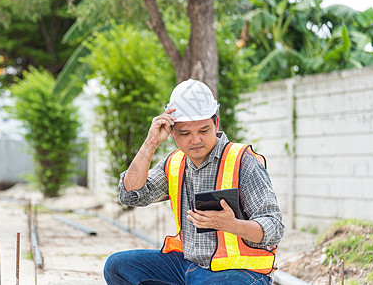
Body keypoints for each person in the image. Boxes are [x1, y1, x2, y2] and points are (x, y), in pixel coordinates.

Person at [104, 79, 284, 285]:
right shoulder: (175, 163)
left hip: (239, 273)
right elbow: (131, 195)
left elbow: (274, 228)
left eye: (203, 130)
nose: (196, 140)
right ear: (172, 133)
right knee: (117, 267)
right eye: (185, 133)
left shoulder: (242, 161)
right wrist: (150, 143)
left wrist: (232, 225)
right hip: (187, 266)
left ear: (215, 123)